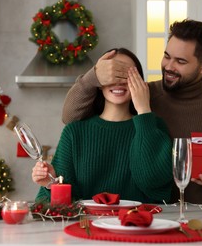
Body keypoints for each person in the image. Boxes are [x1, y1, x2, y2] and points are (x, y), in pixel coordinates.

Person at [61, 19, 202, 204]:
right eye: (167, 56)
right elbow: (70, 117)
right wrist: (93, 76)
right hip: (153, 215)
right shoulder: (142, 95)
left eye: (181, 61)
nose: (169, 66)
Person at [32, 48, 173, 204]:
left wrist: (144, 110)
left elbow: (156, 186)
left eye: (127, 74)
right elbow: (56, 204)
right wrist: (52, 184)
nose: (119, 81)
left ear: (140, 82)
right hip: (88, 225)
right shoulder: (74, 132)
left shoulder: (153, 126)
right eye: (112, 73)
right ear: (99, 81)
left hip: (140, 224)